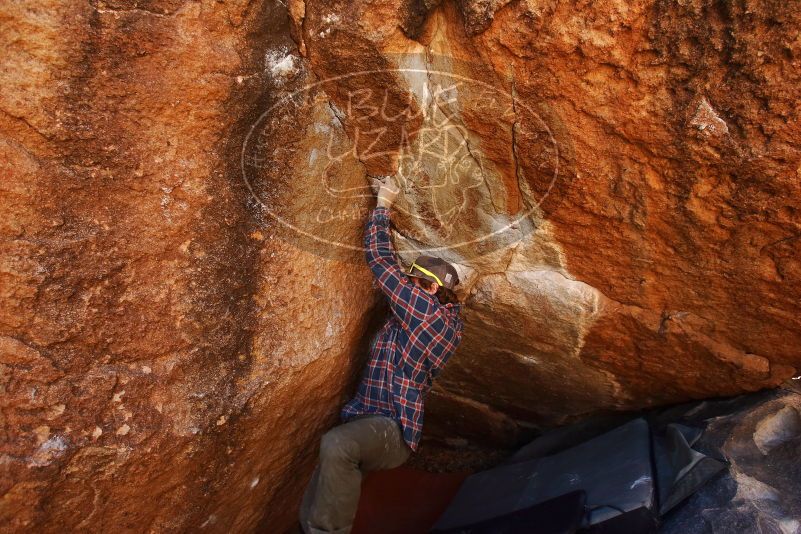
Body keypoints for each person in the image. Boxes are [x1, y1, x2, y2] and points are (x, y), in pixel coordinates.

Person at [299, 175, 465, 534]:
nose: (407, 285)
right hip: (373, 422)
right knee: (329, 471)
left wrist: (384, 205)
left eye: (415, 281)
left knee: (338, 446)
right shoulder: (447, 322)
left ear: (432, 288)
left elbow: (380, 261)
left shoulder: (425, 312)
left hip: (392, 429)